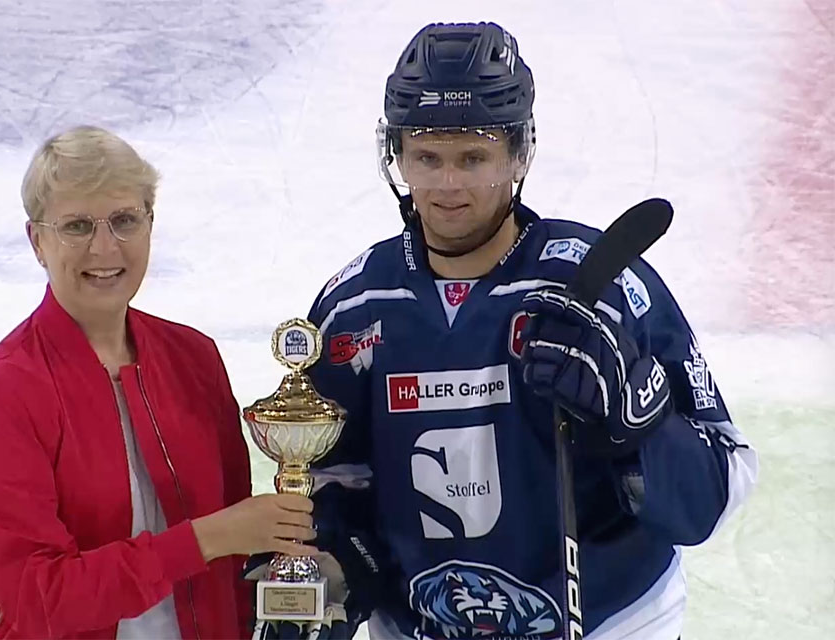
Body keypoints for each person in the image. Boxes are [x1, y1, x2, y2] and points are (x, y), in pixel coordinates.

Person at [252, 22, 758, 640]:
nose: (447, 185)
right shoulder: (355, 307)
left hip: (609, 623)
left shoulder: (599, 287)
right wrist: (327, 578)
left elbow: (720, 489)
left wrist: (635, 412)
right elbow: (341, 496)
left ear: (520, 154)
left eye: (474, 157)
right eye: (426, 157)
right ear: (397, 157)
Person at [0, 125, 317, 639]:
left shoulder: (194, 359)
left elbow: (231, 563)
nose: (104, 247)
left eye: (124, 220)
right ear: (38, 242)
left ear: (149, 224)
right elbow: (39, 598)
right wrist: (207, 539)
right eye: (77, 226)